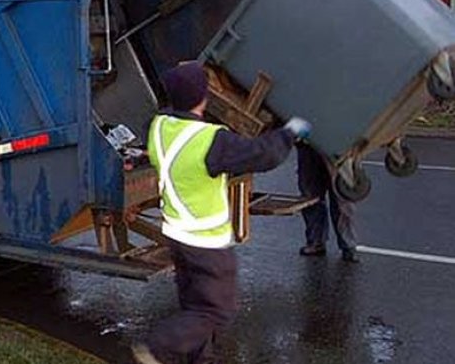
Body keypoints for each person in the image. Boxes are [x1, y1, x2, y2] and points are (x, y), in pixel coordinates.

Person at [132, 62, 310, 364]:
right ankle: (156, 347)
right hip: (205, 242)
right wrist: (288, 133)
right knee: (216, 310)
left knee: (195, 307)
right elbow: (262, 154)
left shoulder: (159, 127)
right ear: (203, 96)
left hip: (177, 236)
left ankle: (199, 360)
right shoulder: (209, 140)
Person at [296, 143, 359, 263]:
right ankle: (316, 241)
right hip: (308, 143)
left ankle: (348, 245)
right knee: (311, 196)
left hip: (336, 144)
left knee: (341, 196)